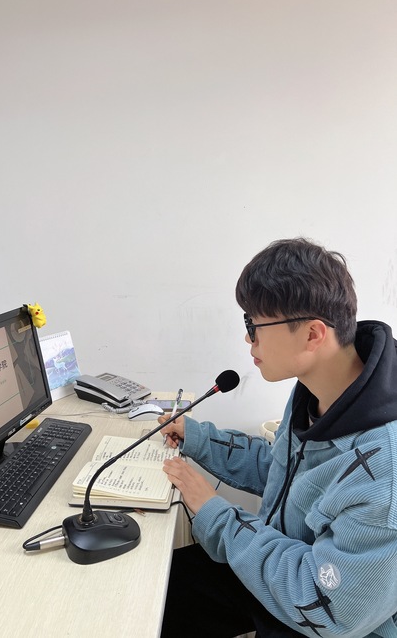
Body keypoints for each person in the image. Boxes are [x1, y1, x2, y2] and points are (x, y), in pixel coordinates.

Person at [159, 238, 397, 638]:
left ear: (312, 334)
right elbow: (281, 470)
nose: (248, 340)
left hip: (320, 615)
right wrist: (198, 438)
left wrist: (215, 512)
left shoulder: (385, 471)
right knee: (159, 590)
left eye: (254, 326)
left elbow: (327, 608)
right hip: (277, 567)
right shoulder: (315, 391)